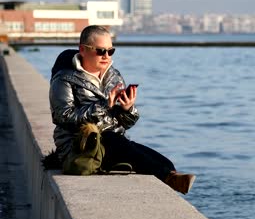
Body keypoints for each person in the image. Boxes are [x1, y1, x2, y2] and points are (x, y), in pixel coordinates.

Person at [49, 25, 195, 194]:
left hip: (114, 142)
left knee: (161, 161)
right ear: (83, 49)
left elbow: (125, 124)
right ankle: (170, 179)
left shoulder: (114, 76)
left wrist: (127, 109)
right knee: (115, 141)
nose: (106, 56)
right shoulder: (64, 79)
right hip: (79, 146)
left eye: (110, 51)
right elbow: (62, 117)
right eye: (100, 51)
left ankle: (172, 176)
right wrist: (104, 106)